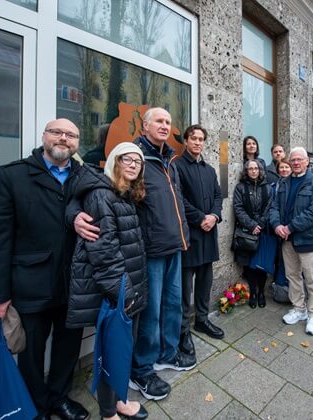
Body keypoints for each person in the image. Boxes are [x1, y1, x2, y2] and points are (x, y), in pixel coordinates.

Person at [73, 108, 193, 401]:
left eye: (168, 121)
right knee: (149, 313)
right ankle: (142, 369)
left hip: (175, 246)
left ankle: (167, 353)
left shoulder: (169, 160)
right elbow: (101, 191)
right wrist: (73, 214)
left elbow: (175, 200)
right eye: (160, 121)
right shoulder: (134, 156)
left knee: (173, 305)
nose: (165, 126)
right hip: (149, 249)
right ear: (145, 125)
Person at [0, 119, 89, 420]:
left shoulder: (84, 177)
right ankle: (36, 407)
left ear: (77, 143)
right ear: (44, 136)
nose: (64, 138)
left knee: (68, 347)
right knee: (30, 354)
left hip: (74, 283)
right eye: (57, 132)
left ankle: (59, 398)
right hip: (31, 283)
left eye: (71, 135)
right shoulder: (13, 176)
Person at [67, 143, 148, 420]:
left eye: (138, 162)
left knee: (122, 351)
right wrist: (122, 293)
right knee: (111, 353)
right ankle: (108, 412)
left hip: (130, 288)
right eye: (128, 159)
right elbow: (104, 252)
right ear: (114, 161)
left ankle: (119, 401)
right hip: (118, 291)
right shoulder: (102, 195)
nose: (134, 165)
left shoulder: (123, 195)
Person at [175, 124, 224, 357]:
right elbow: (179, 200)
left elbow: (217, 195)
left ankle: (202, 320)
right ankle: (183, 331)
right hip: (189, 236)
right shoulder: (177, 166)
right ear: (186, 141)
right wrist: (201, 218)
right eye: (193, 138)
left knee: (205, 282)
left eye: (201, 139)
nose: (197, 142)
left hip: (209, 234)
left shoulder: (209, 169)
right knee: (185, 289)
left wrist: (214, 216)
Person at [269, 147, 313, 336]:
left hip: (307, 239)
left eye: (299, 159)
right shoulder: (283, 183)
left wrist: (290, 227)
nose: (295, 163)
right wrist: (277, 225)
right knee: (293, 276)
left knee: (312, 279)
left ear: (307, 162)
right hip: (287, 240)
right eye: (292, 159)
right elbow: (275, 206)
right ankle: (299, 309)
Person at [233, 159, 273, 308]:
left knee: (261, 264)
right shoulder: (240, 187)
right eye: (250, 169)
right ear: (246, 171)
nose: (254, 171)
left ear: (260, 170)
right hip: (246, 231)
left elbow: (270, 207)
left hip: (262, 231)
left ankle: (261, 292)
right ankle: (253, 293)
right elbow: (238, 208)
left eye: (256, 168)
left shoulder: (268, 188)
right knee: (249, 265)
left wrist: (260, 224)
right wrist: (251, 225)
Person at [270, 158, 292, 304]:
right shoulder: (273, 186)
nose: (284, 170)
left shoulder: (294, 185)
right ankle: (279, 288)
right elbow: (273, 206)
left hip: (290, 229)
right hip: (276, 227)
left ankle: (291, 288)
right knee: (278, 258)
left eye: (286, 167)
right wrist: (276, 225)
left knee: (290, 261)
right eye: (281, 167)